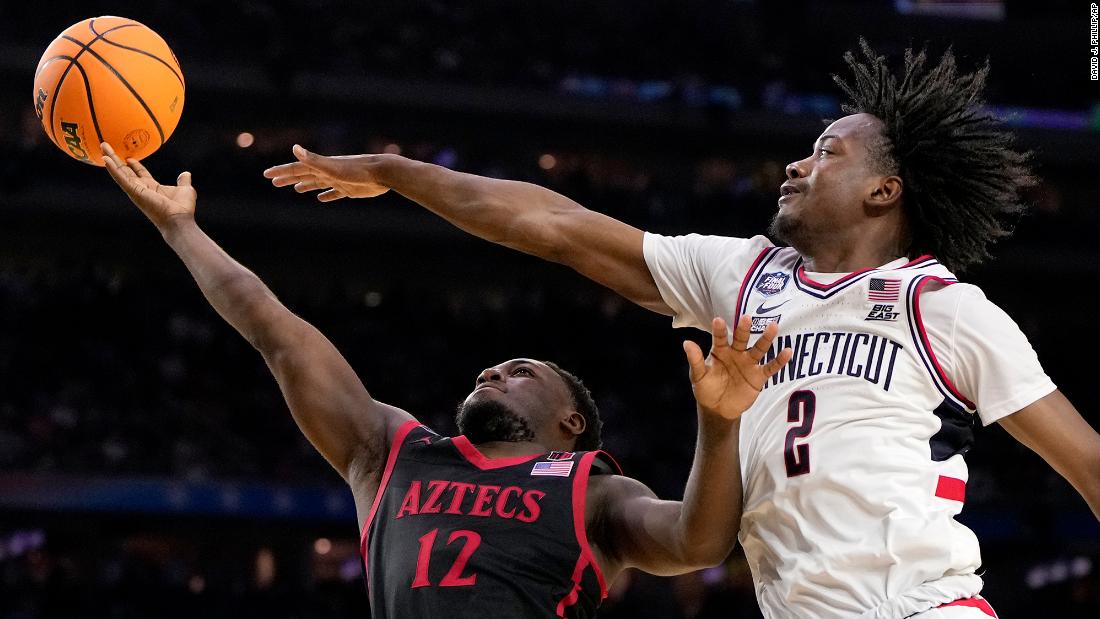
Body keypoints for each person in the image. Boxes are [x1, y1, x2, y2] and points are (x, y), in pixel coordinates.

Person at [264, 40, 1100, 618]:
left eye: (827, 151)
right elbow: (554, 226)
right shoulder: (743, 276)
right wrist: (396, 171)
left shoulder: (944, 309)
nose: (797, 163)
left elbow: (1087, 460)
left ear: (886, 193)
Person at [99, 142, 793, 618]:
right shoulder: (390, 450)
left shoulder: (596, 491)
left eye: (521, 371)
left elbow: (697, 544)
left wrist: (719, 420)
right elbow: (272, 328)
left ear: (571, 423)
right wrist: (179, 229)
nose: (492, 370)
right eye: (491, 368)